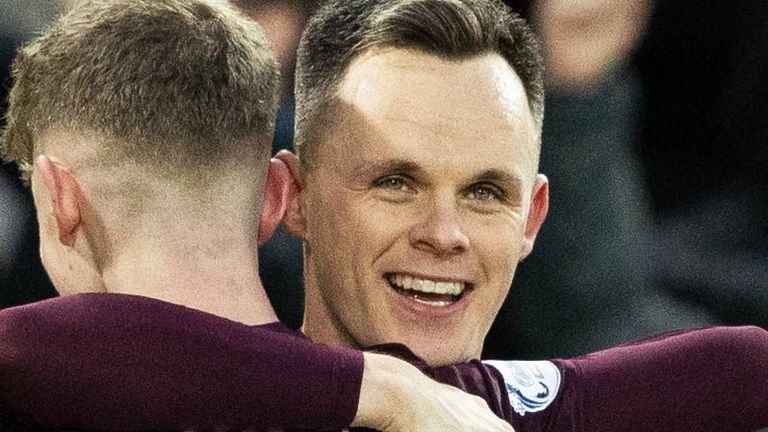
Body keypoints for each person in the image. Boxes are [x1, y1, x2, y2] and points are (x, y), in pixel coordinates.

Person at [3, 0, 767, 431]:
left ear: (534, 218)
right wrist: (382, 391)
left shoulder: (503, 407)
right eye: (395, 182)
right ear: (289, 197)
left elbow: (736, 365)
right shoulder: (108, 398)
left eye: (485, 192)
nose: (445, 233)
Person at [0, 1, 515, 431]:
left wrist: (377, 388)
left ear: (59, 200)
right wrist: (384, 387)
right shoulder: (454, 407)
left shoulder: (27, 387)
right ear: (277, 198)